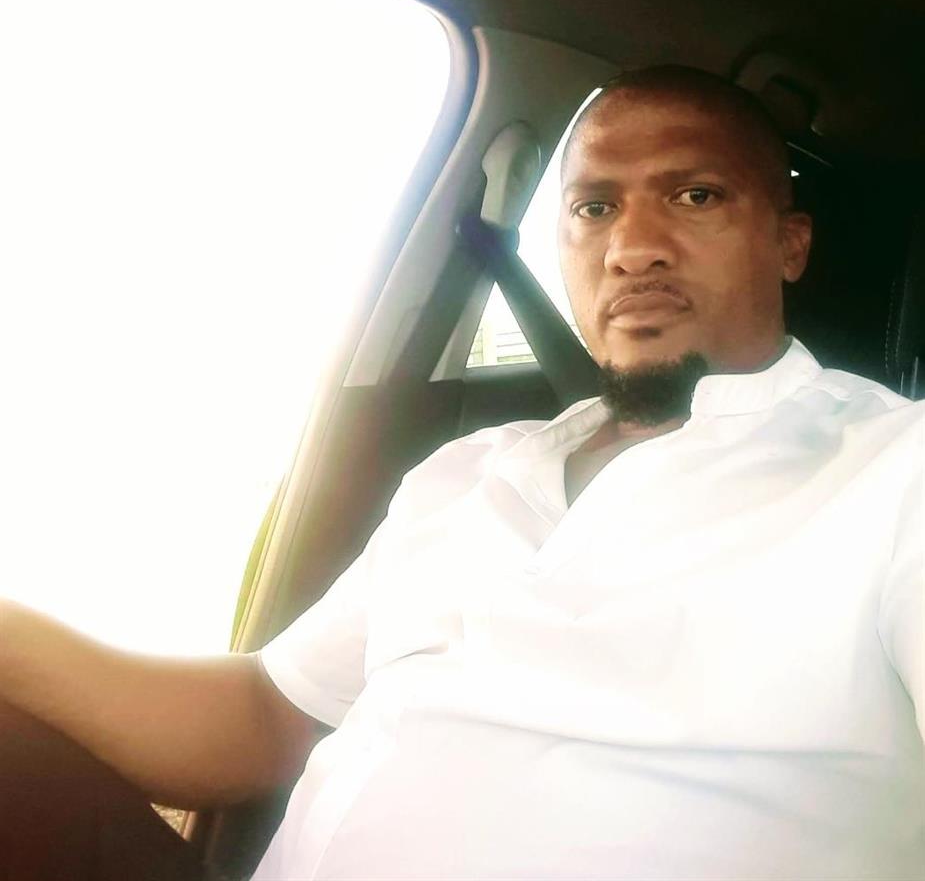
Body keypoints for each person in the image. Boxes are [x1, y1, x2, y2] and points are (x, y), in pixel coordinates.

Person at [0, 66, 921, 881]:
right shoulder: (469, 468)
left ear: (788, 243)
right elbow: (269, 715)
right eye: (593, 209)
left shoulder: (891, 471)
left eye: (693, 196)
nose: (630, 247)